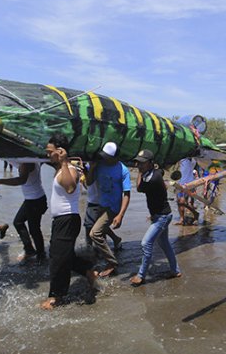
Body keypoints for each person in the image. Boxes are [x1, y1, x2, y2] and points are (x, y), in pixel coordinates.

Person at [41, 133, 97, 310]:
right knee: (65, 255)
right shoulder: (59, 168)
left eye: (50, 152)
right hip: (61, 220)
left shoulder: (69, 169)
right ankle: (88, 271)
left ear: (60, 152)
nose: (48, 155)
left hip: (67, 219)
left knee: (58, 258)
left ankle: (56, 297)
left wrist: (65, 162)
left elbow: (71, 187)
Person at [130, 149, 181, 286]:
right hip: (161, 214)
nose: (139, 165)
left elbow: (139, 188)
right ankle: (175, 271)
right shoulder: (154, 173)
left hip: (162, 217)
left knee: (146, 243)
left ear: (151, 163)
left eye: (142, 163)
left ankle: (141, 275)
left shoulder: (153, 178)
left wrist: (139, 173)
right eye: (138, 163)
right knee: (164, 244)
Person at [0, 162, 49, 263]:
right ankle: (30, 250)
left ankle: (41, 256)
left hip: (34, 200)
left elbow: (21, 180)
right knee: (18, 222)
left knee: (34, 229)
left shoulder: (26, 163)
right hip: (34, 199)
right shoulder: (33, 160)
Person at [87, 142, 128, 277]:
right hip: (102, 204)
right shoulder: (100, 165)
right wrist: (92, 168)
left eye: (108, 157)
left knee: (95, 233)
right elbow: (88, 182)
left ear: (116, 157)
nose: (105, 158)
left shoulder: (123, 170)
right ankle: (116, 240)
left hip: (113, 207)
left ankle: (112, 262)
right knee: (100, 228)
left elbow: (126, 194)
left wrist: (120, 215)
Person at [175, 156, 199, 225]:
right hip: (183, 182)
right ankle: (182, 218)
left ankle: (194, 214)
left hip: (189, 183)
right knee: (181, 201)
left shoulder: (191, 159)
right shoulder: (190, 159)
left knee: (183, 201)